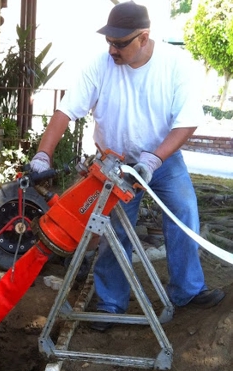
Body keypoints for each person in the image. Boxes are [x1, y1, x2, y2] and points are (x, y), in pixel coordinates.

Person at [30, 1, 225, 331]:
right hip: (114, 166)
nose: (112, 49)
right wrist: (42, 155)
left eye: (120, 43)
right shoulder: (99, 65)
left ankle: (187, 291)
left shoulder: (175, 65)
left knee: (184, 214)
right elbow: (66, 112)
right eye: (109, 41)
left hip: (161, 160)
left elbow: (187, 122)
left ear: (144, 37)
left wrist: (154, 159)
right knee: (113, 231)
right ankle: (111, 303)